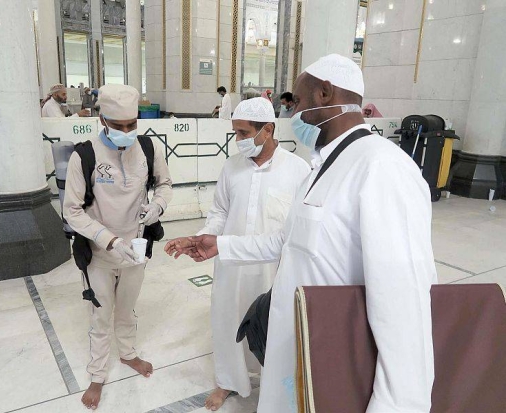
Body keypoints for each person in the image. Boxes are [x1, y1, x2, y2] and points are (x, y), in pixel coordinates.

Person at [165, 54, 436, 413]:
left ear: (324, 93)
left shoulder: (381, 167)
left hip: (336, 357)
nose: (295, 114)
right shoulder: (324, 167)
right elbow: (286, 241)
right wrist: (220, 244)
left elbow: (405, 308)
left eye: (299, 102)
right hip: (301, 347)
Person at [169, 97, 310, 411]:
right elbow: (220, 210)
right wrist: (206, 234)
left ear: (268, 130)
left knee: (274, 326)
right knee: (226, 320)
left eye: (245, 133)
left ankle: (275, 381)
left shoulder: (298, 169)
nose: (239, 140)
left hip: (273, 268)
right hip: (231, 263)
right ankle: (228, 381)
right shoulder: (231, 166)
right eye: (236, 133)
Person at [63, 84, 172, 410]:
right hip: (99, 253)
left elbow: (165, 185)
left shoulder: (149, 149)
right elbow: (71, 211)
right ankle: (97, 374)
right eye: (118, 126)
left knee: (127, 309)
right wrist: (108, 240)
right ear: (102, 120)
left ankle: (128, 354)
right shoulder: (84, 156)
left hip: (136, 248)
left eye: (132, 124)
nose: (127, 132)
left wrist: (158, 206)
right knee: (101, 314)